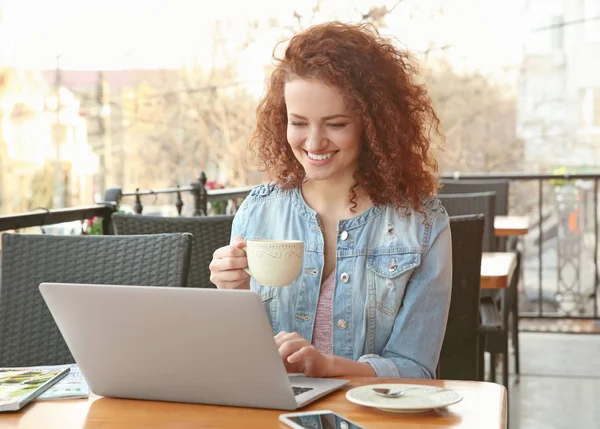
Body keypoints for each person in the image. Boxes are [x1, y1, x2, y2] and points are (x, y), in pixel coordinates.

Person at [209, 21, 452, 379]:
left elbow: (416, 369)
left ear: (374, 126)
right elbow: (235, 360)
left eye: (335, 124)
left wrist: (328, 367)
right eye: (299, 123)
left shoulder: (422, 223)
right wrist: (231, 295)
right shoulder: (258, 211)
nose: (313, 142)